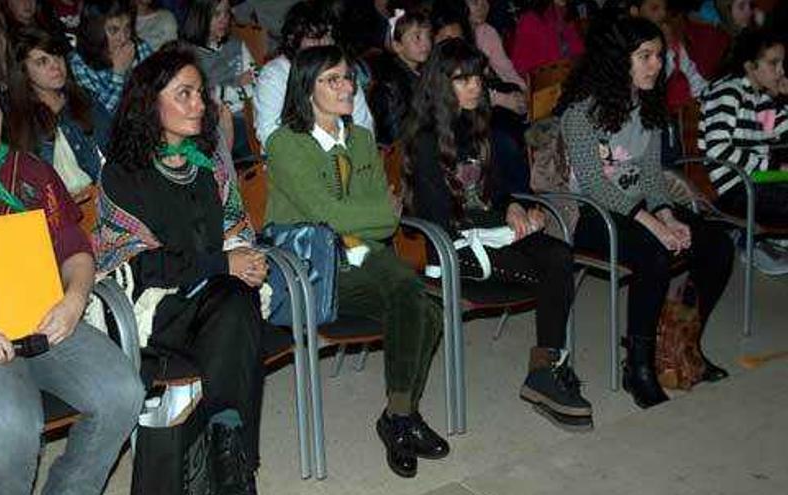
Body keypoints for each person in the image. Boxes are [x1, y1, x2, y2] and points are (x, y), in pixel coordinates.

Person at [0, 56, 144, 495]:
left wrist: (73, 302)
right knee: (12, 421)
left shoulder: (31, 171)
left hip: (46, 318)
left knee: (122, 392)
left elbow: (76, 249)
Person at [265, 44, 449, 479]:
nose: (348, 86)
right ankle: (401, 419)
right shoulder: (285, 144)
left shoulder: (362, 138)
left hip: (361, 254)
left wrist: (366, 220)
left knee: (428, 312)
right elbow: (339, 215)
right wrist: (379, 214)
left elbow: (373, 227)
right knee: (412, 295)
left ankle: (399, 415)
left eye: (348, 77)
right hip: (310, 268)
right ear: (306, 91)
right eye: (333, 80)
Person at [97, 45, 264, 494]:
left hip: (215, 302)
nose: (200, 104)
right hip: (156, 313)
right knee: (234, 303)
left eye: (201, 94)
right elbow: (139, 267)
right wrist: (222, 262)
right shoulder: (122, 174)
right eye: (184, 94)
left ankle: (228, 455)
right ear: (150, 104)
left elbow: (235, 231)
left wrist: (244, 256)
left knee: (235, 299)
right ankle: (233, 462)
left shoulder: (208, 164)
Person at [404, 38, 592, 431]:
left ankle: (545, 368)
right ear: (441, 85)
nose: (476, 87)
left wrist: (512, 207)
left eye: (478, 78)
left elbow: (497, 189)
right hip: (454, 249)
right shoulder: (424, 141)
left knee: (558, 251)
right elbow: (441, 220)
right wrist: (505, 223)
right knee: (553, 267)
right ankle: (546, 373)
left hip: (489, 236)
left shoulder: (478, 127)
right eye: (463, 79)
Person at [557, 17, 734, 409]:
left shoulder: (649, 105)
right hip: (591, 215)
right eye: (645, 56)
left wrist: (668, 216)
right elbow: (596, 186)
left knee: (717, 243)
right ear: (619, 60)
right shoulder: (581, 113)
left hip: (637, 208)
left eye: (659, 56)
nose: (657, 65)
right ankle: (638, 366)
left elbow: (653, 176)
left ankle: (682, 342)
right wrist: (653, 224)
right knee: (653, 253)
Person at [252, 1, 373, 150]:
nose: (323, 44)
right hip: (297, 161)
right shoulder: (274, 76)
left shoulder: (342, 72)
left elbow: (363, 125)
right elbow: (270, 135)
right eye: (314, 38)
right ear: (293, 40)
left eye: (327, 36)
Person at [8, 28, 111, 197]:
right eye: (42, 61)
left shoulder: (86, 100)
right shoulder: (20, 122)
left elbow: (115, 151)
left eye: (57, 55)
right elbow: (25, 188)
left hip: (102, 200)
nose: (55, 65)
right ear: (24, 71)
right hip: (57, 213)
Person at [698, 30, 788, 224]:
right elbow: (717, 150)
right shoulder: (729, 92)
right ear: (749, 66)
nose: (781, 71)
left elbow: (780, 131)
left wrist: (782, 96)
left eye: (782, 64)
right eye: (774, 63)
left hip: (759, 180)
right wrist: (771, 166)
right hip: (735, 189)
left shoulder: (762, 99)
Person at [183, 0, 256, 162]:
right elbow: (204, 96)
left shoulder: (237, 45)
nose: (224, 20)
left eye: (227, 13)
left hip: (246, 115)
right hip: (211, 122)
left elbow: (255, 83)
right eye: (217, 14)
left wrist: (222, 90)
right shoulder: (189, 53)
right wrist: (236, 83)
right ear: (201, 16)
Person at [69, 0, 153, 114]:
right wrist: (118, 74)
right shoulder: (79, 64)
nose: (123, 38)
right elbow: (100, 118)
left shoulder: (141, 48)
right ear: (95, 30)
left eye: (127, 28)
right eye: (113, 30)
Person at [368, 7, 431, 146]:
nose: (425, 43)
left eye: (428, 36)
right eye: (417, 37)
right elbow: (393, 135)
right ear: (397, 46)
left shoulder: (425, 74)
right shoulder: (390, 83)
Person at [510, 0, 584, 75]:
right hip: (547, 78)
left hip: (571, 74)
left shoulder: (567, 13)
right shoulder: (530, 19)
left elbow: (578, 50)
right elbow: (521, 66)